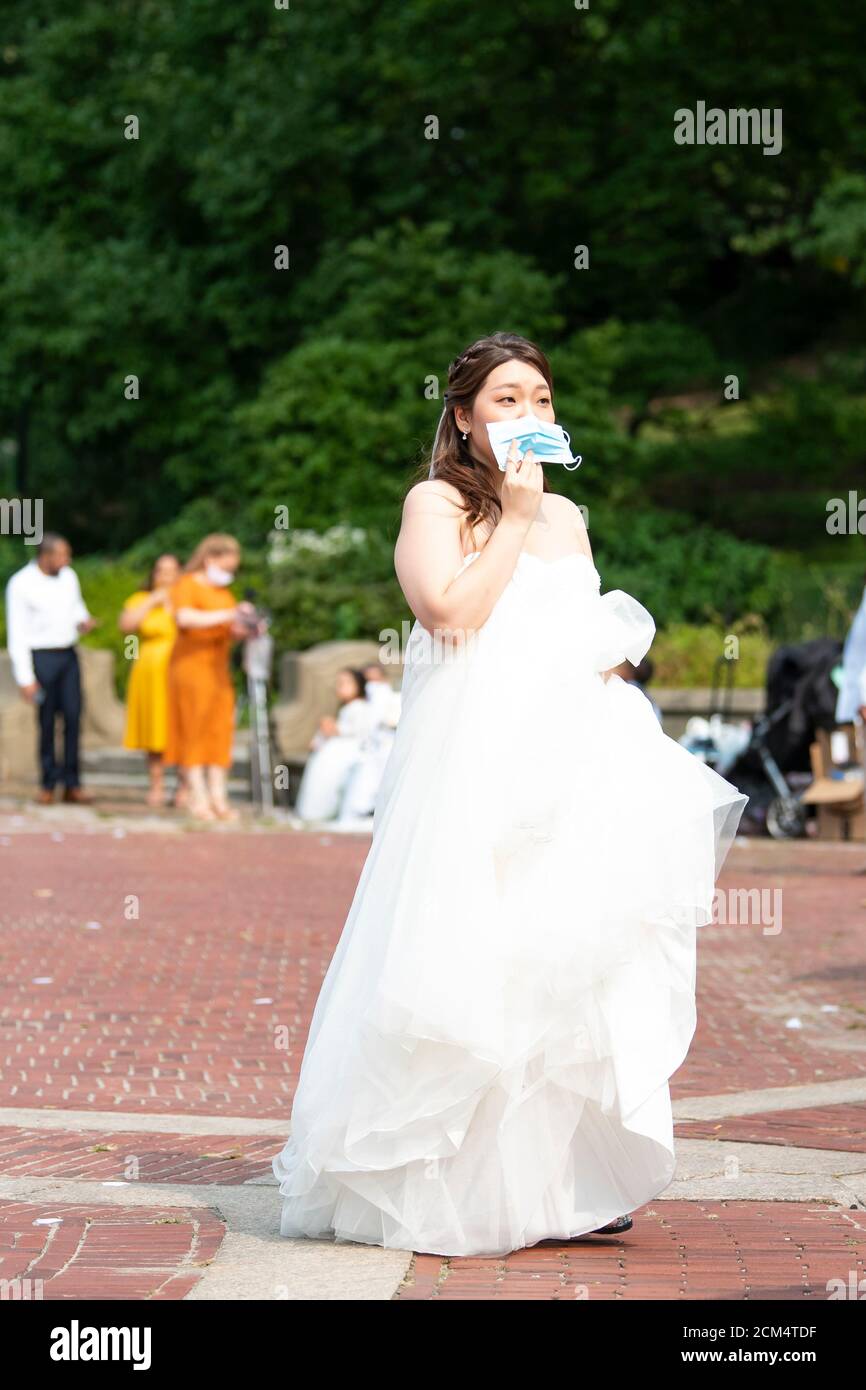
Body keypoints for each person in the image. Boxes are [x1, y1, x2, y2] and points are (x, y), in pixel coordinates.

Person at [271, 332, 749, 1258]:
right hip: (476, 763)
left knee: (570, 959)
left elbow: (578, 627)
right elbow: (448, 615)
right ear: (463, 416)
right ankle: (447, 1174)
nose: (527, 416)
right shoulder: (438, 501)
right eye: (504, 400)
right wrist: (516, 517)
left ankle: (566, 1180)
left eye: (539, 399)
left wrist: (610, 651)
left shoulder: (568, 515)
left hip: (571, 757)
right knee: (470, 950)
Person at [163, 534, 256, 822]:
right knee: (194, 729)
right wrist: (229, 614)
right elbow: (185, 619)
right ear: (210, 559)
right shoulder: (187, 584)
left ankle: (219, 797)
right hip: (190, 668)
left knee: (219, 731)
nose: (229, 573)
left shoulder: (223, 593)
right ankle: (197, 796)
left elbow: (229, 631)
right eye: (226, 566)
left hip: (218, 671)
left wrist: (248, 627)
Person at [4, 532, 99, 804]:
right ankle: (48, 782)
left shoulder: (69, 577)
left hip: (68, 655)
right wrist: (25, 678)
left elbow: (76, 608)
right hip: (41, 658)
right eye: (62, 555)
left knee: (73, 718)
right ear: (45, 556)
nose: (67, 560)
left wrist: (83, 622)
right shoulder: (21, 584)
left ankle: (72, 782)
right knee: (46, 722)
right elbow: (17, 634)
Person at [119, 554, 181, 807]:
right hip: (149, 669)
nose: (165, 576)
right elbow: (126, 626)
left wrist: (171, 605)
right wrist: (153, 601)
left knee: (180, 726)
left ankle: (185, 786)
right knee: (153, 726)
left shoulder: (186, 598)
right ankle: (157, 784)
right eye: (161, 571)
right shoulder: (140, 599)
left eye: (171, 571)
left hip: (179, 668)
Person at [294, 668, 378, 822]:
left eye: (346, 683)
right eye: (339, 683)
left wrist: (334, 729)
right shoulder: (345, 709)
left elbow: (359, 731)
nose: (341, 686)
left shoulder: (360, 707)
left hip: (351, 751)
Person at [335, 663, 402, 826]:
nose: (373, 686)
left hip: (387, 744)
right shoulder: (364, 704)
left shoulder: (393, 697)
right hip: (369, 745)